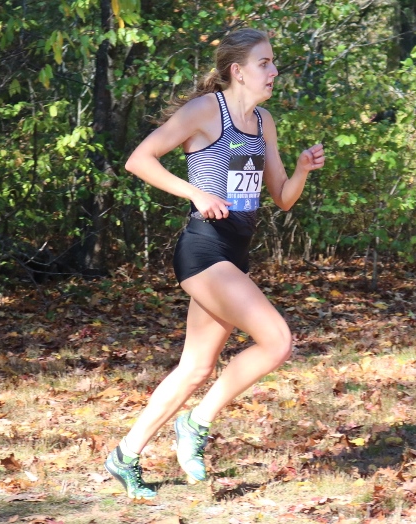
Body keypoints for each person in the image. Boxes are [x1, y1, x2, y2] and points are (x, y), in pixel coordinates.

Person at [105, 27, 326, 500]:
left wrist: (303, 169)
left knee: (196, 367)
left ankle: (124, 455)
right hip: (203, 249)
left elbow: (283, 198)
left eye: (273, 62)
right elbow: (139, 159)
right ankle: (197, 423)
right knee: (278, 340)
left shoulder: (263, 122)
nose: (274, 71)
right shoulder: (207, 111)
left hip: (235, 252)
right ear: (237, 70)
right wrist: (195, 191)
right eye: (265, 63)